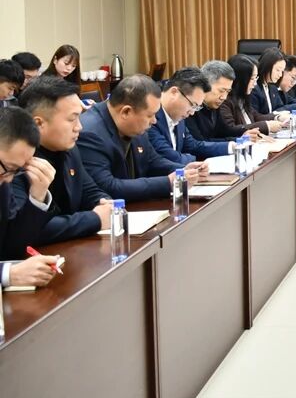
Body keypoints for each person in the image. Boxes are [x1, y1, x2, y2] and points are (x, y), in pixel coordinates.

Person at [13, 76, 112, 243]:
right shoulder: (16, 161)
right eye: (72, 119)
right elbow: (29, 229)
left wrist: (105, 204)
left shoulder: (69, 149)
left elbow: (89, 190)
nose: (79, 127)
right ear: (38, 123)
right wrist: (94, 219)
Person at [78, 75, 199, 202]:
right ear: (126, 112)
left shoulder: (134, 125)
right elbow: (107, 187)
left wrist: (183, 171)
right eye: (150, 115)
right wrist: (168, 182)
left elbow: (152, 161)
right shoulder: (90, 133)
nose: (154, 121)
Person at [0, 107, 60, 287]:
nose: (9, 179)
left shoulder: (4, 183)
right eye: (9, 168)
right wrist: (8, 274)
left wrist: (37, 196)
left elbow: (10, 247)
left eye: (16, 171)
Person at [149, 67, 231, 165]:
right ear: (174, 92)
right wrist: (193, 160)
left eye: (197, 107)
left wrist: (231, 147)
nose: (192, 112)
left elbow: (193, 146)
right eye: (192, 105)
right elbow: (170, 157)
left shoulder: (178, 114)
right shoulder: (150, 117)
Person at [186, 60, 262, 143]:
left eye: (227, 91)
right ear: (205, 85)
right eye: (221, 91)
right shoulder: (191, 108)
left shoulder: (214, 104)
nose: (224, 97)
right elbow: (200, 143)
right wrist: (237, 140)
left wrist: (245, 133)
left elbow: (224, 130)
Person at [220, 55, 287, 135]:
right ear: (240, 79)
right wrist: (267, 126)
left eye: (256, 78)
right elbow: (231, 129)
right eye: (252, 79)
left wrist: (277, 117)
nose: (255, 84)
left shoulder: (242, 97)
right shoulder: (224, 100)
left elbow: (255, 116)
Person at [250, 48, 287, 115]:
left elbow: (280, 107)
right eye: (278, 70)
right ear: (267, 66)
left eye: (282, 71)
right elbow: (255, 116)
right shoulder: (253, 87)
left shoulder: (272, 87)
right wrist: (275, 116)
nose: (280, 75)